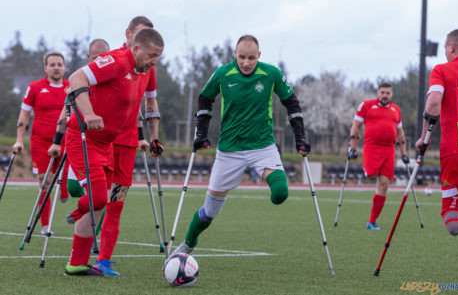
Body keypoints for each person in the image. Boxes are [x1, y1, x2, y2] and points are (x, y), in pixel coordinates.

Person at [171, 34, 310, 256]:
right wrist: (201, 134)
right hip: (229, 151)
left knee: (281, 192)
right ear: (235, 54)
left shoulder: (271, 73)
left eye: (251, 58)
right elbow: (205, 99)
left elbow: (291, 102)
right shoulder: (223, 74)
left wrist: (300, 137)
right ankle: (188, 243)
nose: (246, 63)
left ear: (259, 56)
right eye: (242, 57)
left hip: (262, 146)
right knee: (209, 212)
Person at [63, 28, 164, 276]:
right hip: (83, 139)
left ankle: (76, 264)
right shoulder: (117, 62)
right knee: (98, 199)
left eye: (158, 57)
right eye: (152, 55)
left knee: (102, 203)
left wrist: (148, 137)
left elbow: (143, 105)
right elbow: (76, 78)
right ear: (136, 48)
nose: (155, 62)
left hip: (107, 145)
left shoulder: (142, 72)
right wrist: (88, 113)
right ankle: (77, 211)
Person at [93, 16, 163, 276]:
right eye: (140, 35)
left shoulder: (149, 67)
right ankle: (82, 243)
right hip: (101, 140)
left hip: (126, 144)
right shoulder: (114, 59)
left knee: (116, 203)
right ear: (129, 34)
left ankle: (103, 261)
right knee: (95, 198)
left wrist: (153, 137)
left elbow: (150, 104)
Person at [415, 29, 458, 240]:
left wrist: (423, 137)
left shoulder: (442, 70)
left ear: (451, 47)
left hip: (455, 148)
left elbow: (434, 101)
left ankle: (452, 212)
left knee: (451, 207)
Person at [12, 52, 69, 235]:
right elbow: (24, 115)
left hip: (66, 140)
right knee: (44, 181)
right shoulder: (35, 87)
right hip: (40, 142)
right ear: (45, 68)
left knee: (69, 177)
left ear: (64, 67)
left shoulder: (72, 87)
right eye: (52, 64)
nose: (56, 67)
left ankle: (65, 190)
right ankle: (45, 225)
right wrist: (19, 140)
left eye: (59, 64)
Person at [48, 39, 111, 201]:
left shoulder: (113, 81)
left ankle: (94, 223)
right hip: (80, 140)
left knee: (102, 192)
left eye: (103, 57)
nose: (99, 61)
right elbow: (65, 114)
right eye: (95, 57)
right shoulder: (81, 79)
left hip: (105, 142)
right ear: (88, 56)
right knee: (74, 188)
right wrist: (56, 141)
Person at [349, 82, 410, 230]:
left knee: (384, 184)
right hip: (371, 147)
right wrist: (353, 148)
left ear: (391, 95)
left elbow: (400, 133)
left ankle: (372, 221)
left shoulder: (396, 110)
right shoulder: (366, 106)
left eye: (387, 93)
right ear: (378, 93)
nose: (384, 95)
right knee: (370, 175)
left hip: (389, 150)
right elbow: (355, 127)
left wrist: (403, 153)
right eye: (382, 92)